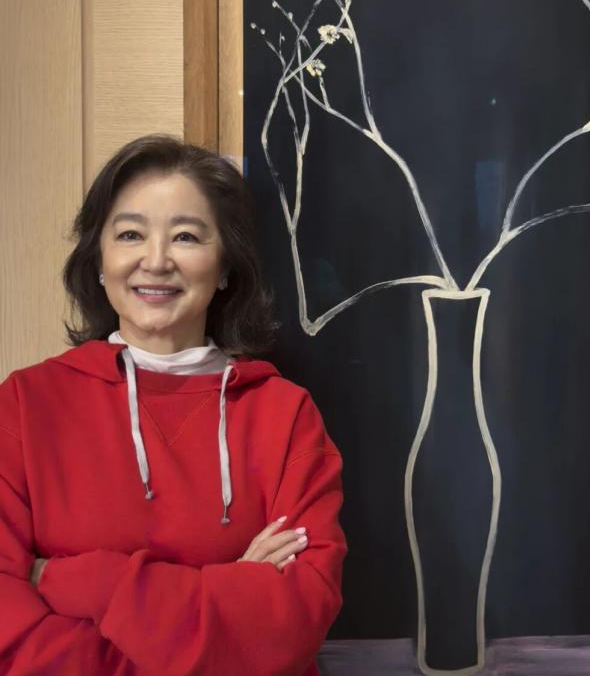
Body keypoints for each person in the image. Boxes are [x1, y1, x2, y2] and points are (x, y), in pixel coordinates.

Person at [0, 134, 346, 675]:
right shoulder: (24, 405)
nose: (156, 261)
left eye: (185, 236)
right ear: (99, 259)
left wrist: (81, 579)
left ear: (225, 265)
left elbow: (292, 623)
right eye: (130, 234)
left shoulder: (285, 415)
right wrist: (231, 588)